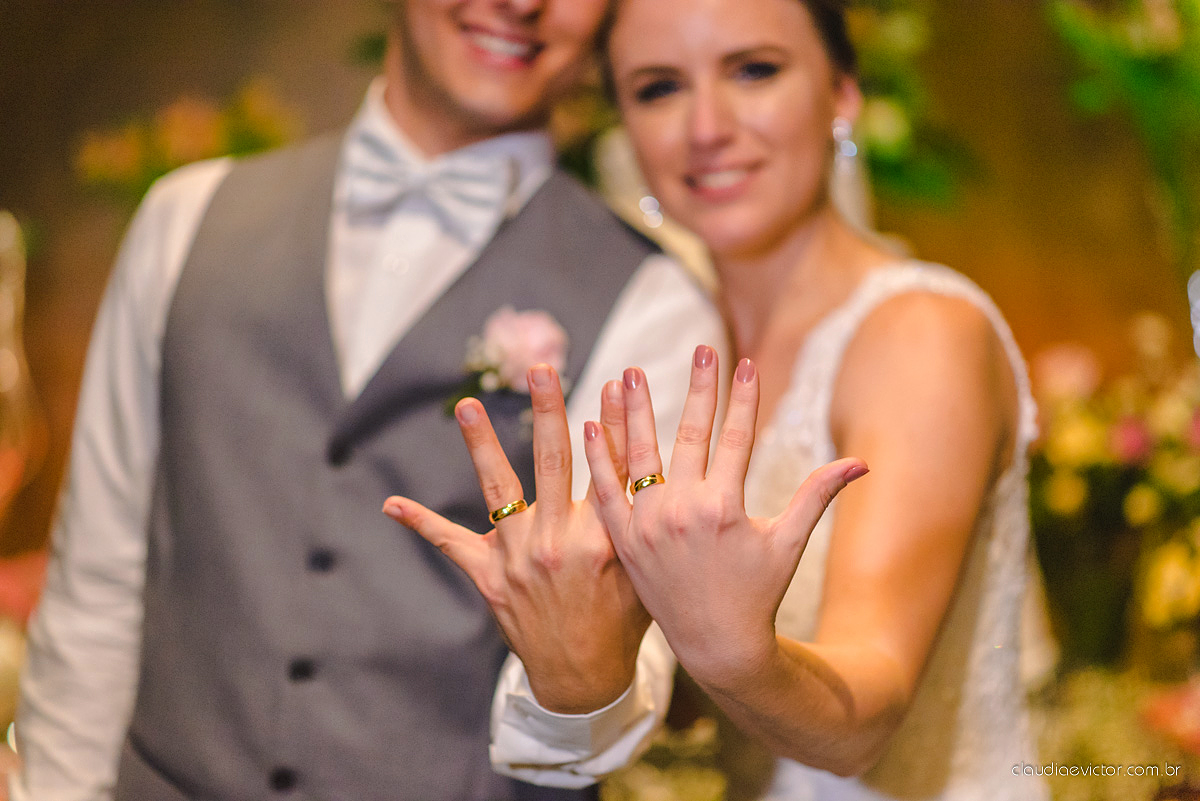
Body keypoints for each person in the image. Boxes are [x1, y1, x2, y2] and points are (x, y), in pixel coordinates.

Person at [11, 1, 727, 799]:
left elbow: (624, 684)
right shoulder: (184, 221)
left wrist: (577, 679)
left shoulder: (655, 304)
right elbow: (100, 585)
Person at [391, 0, 1050, 798]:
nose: (706, 126)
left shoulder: (919, 334)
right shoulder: (665, 353)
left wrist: (740, 655)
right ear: (624, 127)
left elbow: (866, 717)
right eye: (659, 88)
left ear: (842, 94)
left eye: (755, 70)